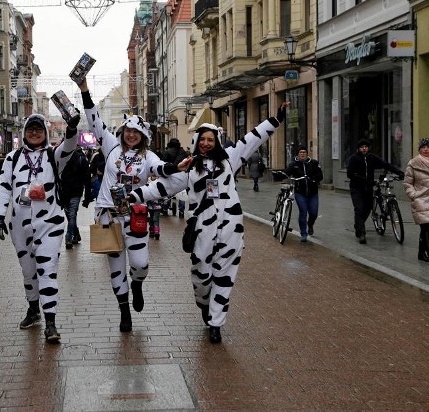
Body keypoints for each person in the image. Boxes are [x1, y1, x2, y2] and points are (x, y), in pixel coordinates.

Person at [128, 102, 289, 344]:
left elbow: (252, 139)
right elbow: (163, 187)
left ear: (217, 142)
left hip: (231, 230)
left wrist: (275, 120)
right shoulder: (190, 169)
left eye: (210, 140)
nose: (206, 143)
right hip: (201, 232)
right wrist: (135, 195)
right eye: (202, 139)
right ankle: (204, 304)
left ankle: (216, 323)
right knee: (201, 278)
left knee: (225, 276)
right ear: (197, 142)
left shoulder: (229, 160)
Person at [77, 76, 182, 333]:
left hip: (135, 214)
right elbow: (94, 120)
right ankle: (124, 311)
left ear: (143, 135)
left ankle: (138, 284)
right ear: (122, 132)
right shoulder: (111, 147)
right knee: (115, 267)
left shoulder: (148, 156)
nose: (131, 135)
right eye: (128, 131)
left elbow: (160, 168)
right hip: (108, 215)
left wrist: (174, 167)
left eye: (136, 132)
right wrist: (85, 90)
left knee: (140, 263)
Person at [0, 112, 80, 344]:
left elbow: (70, 146)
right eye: (30, 129)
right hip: (20, 227)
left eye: (38, 129)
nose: (34, 133)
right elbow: (3, 188)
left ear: (44, 132)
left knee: (47, 270)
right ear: (24, 133)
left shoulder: (54, 155)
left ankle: (50, 323)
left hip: (49, 223)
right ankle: (33, 309)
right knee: (28, 271)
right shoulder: (12, 158)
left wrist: (71, 129)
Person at [346, 139, 405, 245]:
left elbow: (385, 165)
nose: (364, 148)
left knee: (368, 209)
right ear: (358, 149)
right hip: (356, 188)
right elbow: (350, 174)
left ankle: (358, 225)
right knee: (359, 209)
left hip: (368, 189)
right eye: (362, 147)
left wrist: (399, 172)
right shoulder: (353, 158)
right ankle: (361, 233)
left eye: (366, 146)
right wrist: (365, 179)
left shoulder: (372, 158)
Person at [284, 146, 324, 242]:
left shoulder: (313, 163)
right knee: (303, 212)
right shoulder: (294, 164)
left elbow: (320, 175)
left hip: (313, 192)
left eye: (304, 152)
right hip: (300, 192)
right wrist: (280, 174)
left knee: (313, 213)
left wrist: (313, 178)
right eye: (301, 152)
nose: (302, 154)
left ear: (307, 153)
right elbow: (287, 173)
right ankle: (303, 233)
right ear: (298, 154)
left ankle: (310, 224)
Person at [61, 146, 93, 249]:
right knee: (70, 215)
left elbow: (87, 178)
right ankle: (76, 234)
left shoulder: (80, 159)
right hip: (68, 192)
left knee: (71, 214)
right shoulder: (61, 157)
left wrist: (88, 196)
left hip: (73, 192)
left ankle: (68, 237)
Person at [403, 138, 429, 262]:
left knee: (426, 228)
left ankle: (421, 252)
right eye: (423, 147)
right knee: (426, 226)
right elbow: (407, 183)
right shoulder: (413, 163)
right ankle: (427, 252)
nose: (426, 149)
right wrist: (414, 195)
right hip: (421, 198)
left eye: (428, 147)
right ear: (419, 149)